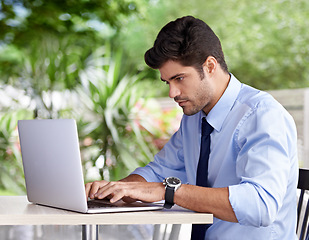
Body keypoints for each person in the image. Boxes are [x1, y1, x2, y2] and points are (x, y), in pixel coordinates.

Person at [85, 16, 298, 239]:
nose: (172, 93)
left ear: (210, 66)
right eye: (167, 82)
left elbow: (261, 205)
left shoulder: (262, 114)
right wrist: (116, 188)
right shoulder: (195, 118)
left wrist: (168, 191)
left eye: (179, 79)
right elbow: (158, 171)